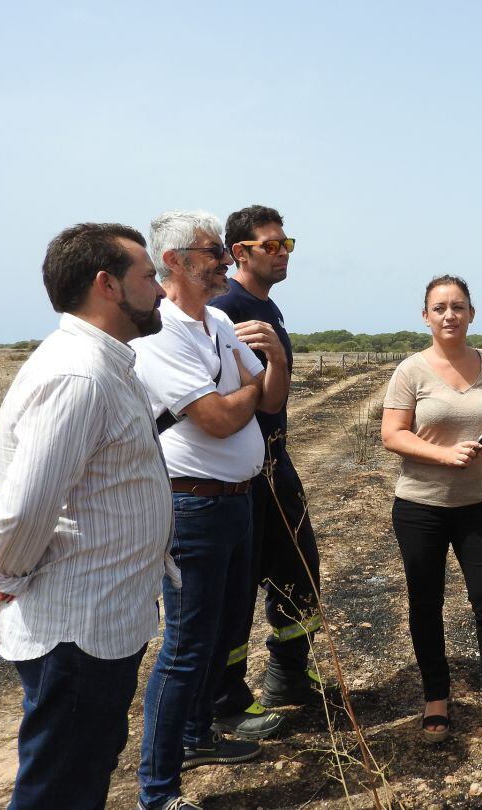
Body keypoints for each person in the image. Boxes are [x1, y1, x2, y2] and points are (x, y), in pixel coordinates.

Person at [0, 223, 173, 809]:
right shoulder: (78, 376)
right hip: (76, 625)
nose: (160, 290)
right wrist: (3, 575)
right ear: (106, 285)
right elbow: (26, 504)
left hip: (99, 617)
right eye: (148, 276)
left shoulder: (103, 365)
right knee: (58, 788)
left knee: (80, 772)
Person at [132, 210, 289, 810]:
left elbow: (268, 398)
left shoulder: (219, 319)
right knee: (186, 646)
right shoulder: (160, 331)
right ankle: (158, 791)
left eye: (225, 251)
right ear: (174, 261)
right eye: (212, 252)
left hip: (237, 499)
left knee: (225, 629)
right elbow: (220, 419)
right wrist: (249, 390)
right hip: (192, 505)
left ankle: (198, 736)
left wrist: (272, 361)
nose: (225, 259)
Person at [380, 275, 482, 746]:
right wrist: (444, 455)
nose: (449, 315)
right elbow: (392, 435)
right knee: (426, 602)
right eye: (439, 307)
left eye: (458, 306)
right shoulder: (411, 371)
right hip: (421, 506)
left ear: (471, 314)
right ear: (425, 316)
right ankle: (435, 696)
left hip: (479, 505)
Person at [210, 205, 325, 732]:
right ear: (239, 252)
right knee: (233, 593)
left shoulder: (266, 308)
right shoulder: (224, 308)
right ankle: (226, 701)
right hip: (238, 478)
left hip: (277, 466)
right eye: (271, 245)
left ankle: (289, 677)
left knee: (299, 575)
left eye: (287, 244)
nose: (283, 254)